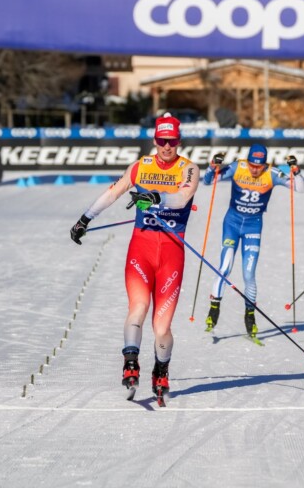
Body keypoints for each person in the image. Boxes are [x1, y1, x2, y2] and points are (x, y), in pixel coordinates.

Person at [69, 112, 200, 400]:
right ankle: (130, 363)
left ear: (179, 141)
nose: (167, 146)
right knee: (138, 308)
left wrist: (155, 197)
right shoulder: (140, 166)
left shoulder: (189, 169)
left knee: (161, 327)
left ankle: (161, 369)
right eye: (162, 141)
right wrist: (85, 219)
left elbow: (182, 198)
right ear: (155, 140)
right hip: (141, 249)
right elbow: (113, 193)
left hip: (171, 254)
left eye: (172, 141)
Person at [202, 143, 304, 339]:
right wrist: (212, 166)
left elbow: (300, 188)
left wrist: (296, 171)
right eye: (252, 165)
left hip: (253, 226)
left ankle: (250, 315)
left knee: (249, 274)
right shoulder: (237, 167)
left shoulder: (272, 173)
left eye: (259, 166)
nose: (255, 170)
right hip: (232, 224)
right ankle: (214, 309)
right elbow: (208, 181)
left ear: (265, 164)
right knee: (225, 267)